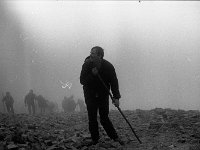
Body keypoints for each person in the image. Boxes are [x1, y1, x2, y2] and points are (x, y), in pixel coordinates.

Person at [80, 46, 124, 145]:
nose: (90, 55)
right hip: (90, 95)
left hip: (103, 94)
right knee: (92, 118)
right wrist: (92, 74)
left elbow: (114, 82)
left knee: (104, 118)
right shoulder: (86, 65)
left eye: (93, 53)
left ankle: (115, 137)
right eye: (90, 52)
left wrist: (116, 97)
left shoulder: (108, 66)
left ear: (100, 56)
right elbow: (82, 81)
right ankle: (95, 139)